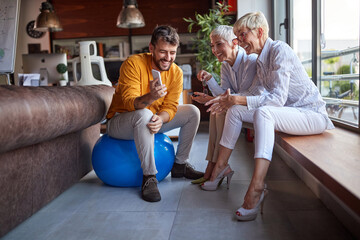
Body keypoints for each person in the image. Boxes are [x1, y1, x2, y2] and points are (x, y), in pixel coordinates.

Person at [204, 12, 334, 221]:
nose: (239, 41)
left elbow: (277, 100)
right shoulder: (261, 59)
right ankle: (221, 166)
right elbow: (255, 95)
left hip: (311, 114)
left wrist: (237, 99)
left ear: (260, 32)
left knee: (263, 112)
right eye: (237, 37)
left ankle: (256, 187)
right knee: (236, 111)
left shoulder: (280, 50)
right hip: (290, 114)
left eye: (242, 35)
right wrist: (232, 101)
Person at [106, 25, 203, 203]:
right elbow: (130, 103)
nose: (168, 58)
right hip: (120, 122)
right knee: (143, 114)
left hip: (151, 120)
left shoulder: (176, 72)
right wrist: (151, 97)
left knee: (192, 111)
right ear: (151, 48)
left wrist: (161, 118)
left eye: (172, 52)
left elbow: (171, 106)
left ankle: (180, 165)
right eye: (163, 52)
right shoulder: (133, 64)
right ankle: (149, 177)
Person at [190, 25, 263, 185]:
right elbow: (223, 94)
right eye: (212, 46)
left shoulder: (249, 61)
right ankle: (212, 164)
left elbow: (245, 96)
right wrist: (209, 81)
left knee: (220, 109)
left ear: (234, 42)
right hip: (238, 106)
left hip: (256, 105)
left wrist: (215, 99)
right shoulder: (225, 65)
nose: (214, 50)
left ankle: (216, 166)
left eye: (219, 44)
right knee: (216, 110)